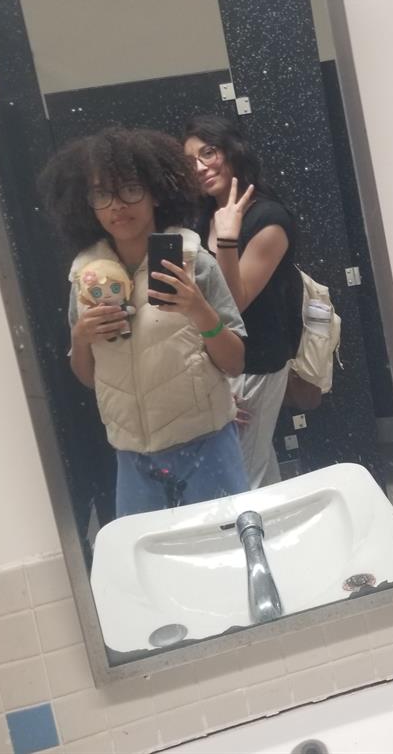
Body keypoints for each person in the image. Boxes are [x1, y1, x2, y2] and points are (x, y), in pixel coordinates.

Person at [38, 126, 249, 517]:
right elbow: (87, 376)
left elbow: (235, 362)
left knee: (225, 558)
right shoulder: (85, 276)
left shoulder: (192, 260)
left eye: (130, 189)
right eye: (102, 194)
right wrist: (81, 337)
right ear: (89, 205)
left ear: (154, 192)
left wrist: (199, 310)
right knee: (151, 571)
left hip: (206, 444)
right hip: (132, 457)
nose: (117, 205)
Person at [183, 115, 303, 489]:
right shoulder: (204, 217)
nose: (201, 167)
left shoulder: (269, 220)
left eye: (209, 152)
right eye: (191, 162)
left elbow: (233, 302)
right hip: (222, 360)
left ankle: (253, 544)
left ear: (232, 152)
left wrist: (230, 241)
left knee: (240, 479)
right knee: (257, 466)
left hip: (256, 364)